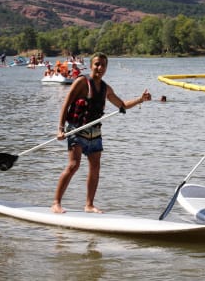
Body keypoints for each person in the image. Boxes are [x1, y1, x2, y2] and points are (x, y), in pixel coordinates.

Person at [52, 52, 152, 214]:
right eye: (97, 64)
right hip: (76, 130)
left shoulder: (106, 88)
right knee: (73, 165)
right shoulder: (82, 82)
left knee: (95, 168)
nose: (100, 68)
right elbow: (66, 103)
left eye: (103, 65)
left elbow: (122, 105)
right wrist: (60, 129)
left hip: (95, 133)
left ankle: (89, 205)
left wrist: (140, 99)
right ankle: (56, 203)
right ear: (91, 65)